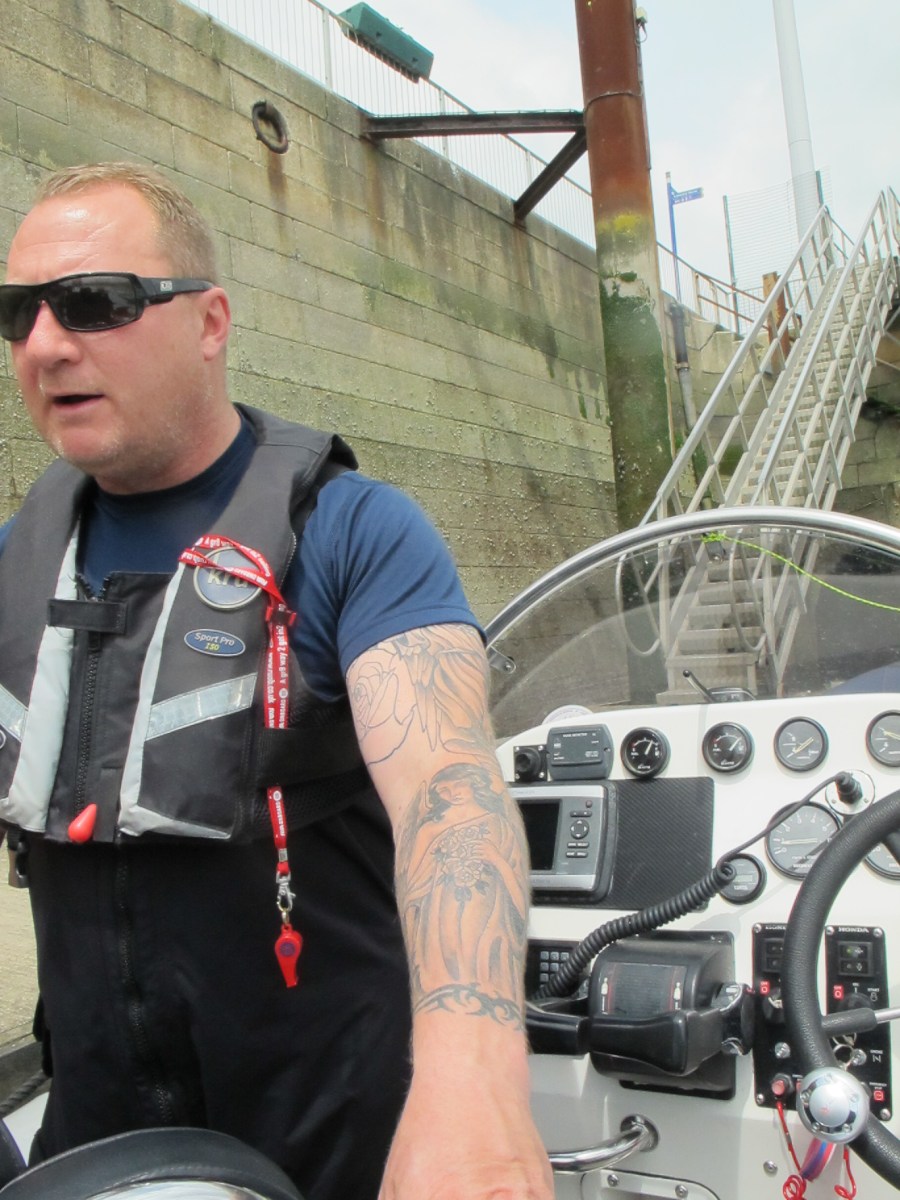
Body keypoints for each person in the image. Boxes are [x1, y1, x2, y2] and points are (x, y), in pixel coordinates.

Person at [0, 163, 553, 1200]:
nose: (45, 344)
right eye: (16, 312)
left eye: (94, 303)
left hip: (344, 1141)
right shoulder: (11, 570)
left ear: (209, 322)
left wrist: (473, 1081)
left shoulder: (355, 535)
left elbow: (450, 796)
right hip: (102, 1152)